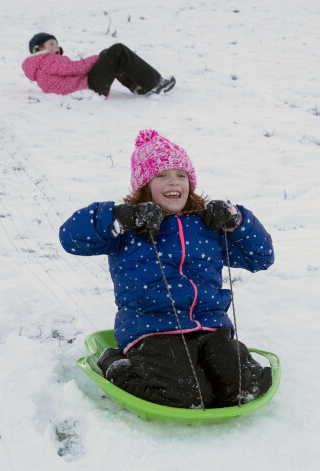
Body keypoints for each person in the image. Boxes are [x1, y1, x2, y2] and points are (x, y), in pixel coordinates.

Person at [59, 129, 274, 409]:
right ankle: (116, 365)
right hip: (153, 330)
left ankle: (212, 373)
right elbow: (70, 238)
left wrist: (237, 221)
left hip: (210, 327)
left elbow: (261, 256)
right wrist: (118, 217)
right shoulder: (128, 230)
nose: (173, 182)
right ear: (144, 185)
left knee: (248, 388)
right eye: (161, 175)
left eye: (181, 175)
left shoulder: (206, 227)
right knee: (187, 398)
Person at [22, 33, 176, 97]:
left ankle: (138, 85)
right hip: (89, 86)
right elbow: (76, 68)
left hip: (83, 87)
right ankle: (155, 83)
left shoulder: (39, 68)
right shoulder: (48, 60)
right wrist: (98, 58)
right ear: (38, 49)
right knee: (117, 51)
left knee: (110, 57)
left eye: (57, 44)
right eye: (51, 43)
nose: (56, 47)